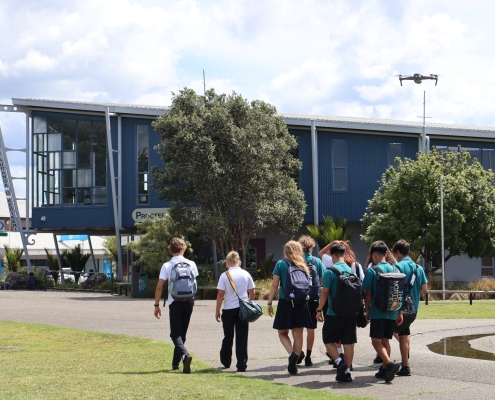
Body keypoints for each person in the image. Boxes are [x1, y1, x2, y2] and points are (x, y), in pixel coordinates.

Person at [267, 240, 312, 375]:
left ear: (286, 251)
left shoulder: (281, 264)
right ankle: (295, 361)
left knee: (282, 333)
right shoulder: (303, 266)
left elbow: (275, 285)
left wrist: (269, 302)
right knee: (298, 334)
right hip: (301, 302)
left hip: (286, 301)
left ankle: (292, 354)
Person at [154, 237, 198, 374]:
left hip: (175, 301)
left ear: (171, 250)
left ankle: (184, 356)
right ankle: (175, 364)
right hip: (189, 300)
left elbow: (160, 287)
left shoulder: (167, 265)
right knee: (182, 333)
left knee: (175, 334)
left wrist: (156, 305)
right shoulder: (191, 264)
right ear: (183, 248)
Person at [316, 241, 357, 383]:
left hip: (334, 313)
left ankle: (340, 363)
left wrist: (319, 309)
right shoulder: (352, 270)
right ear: (344, 254)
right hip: (351, 313)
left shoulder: (330, 271)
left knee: (328, 338)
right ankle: (347, 373)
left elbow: (324, 293)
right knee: (348, 342)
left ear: (332, 255)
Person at [362, 240, 403, 383]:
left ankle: (389, 363)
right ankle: (385, 368)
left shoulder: (373, 270)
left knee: (375, 341)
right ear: (386, 254)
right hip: (393, 310)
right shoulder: (396, 270)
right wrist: (400, 312)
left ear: (374, 255)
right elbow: (400, 291)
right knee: (385, 340)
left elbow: (367, 292)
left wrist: (367, 310)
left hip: (378, 311)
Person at [392, 239, 428, 376]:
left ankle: (390, 365)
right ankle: (405, 362)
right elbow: (424, 289)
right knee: (404, 332)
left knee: (388, 331)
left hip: (400, 308)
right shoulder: (419, 268)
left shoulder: (398, 267)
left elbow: (395, 289)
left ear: (398, 252)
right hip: (413, 308)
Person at [215, 251, 255, 372]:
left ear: (228, 262)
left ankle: (226, 360)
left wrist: (217, 310)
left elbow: (220, 294)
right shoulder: (245, 274)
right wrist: (247, 302)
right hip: (242, 310)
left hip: (228, 309)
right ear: (239, 261)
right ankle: (241, 364)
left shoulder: (224, 275)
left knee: (228, 335)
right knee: (242, 337)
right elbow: (252, 292)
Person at [297, 235, 324, 367]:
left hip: (300, 298)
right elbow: (321, 280)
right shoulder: (317, 261)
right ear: (311, 247)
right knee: (311, 328)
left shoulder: (297, 260)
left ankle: (298, 353)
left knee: (299, 329)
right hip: (313, 298)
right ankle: (308, 356)